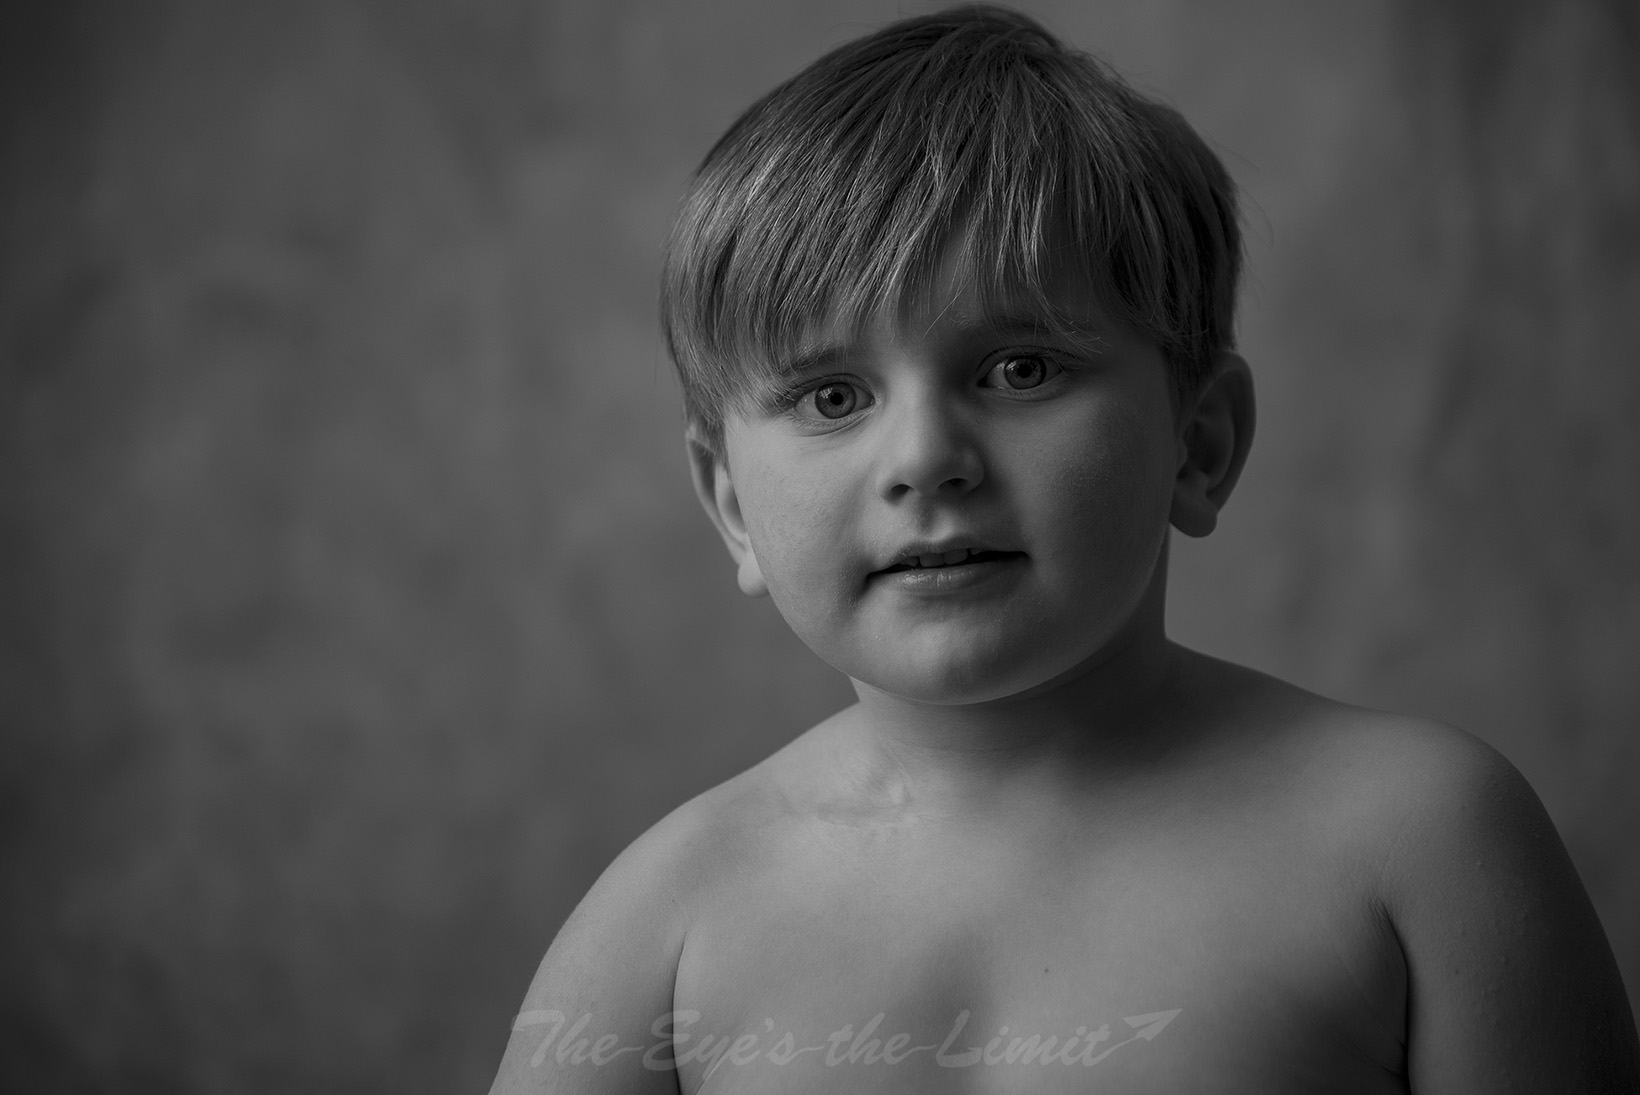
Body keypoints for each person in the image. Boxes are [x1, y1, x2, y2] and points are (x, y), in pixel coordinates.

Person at [488, 7, 1640, 1092]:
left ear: (1197, 444)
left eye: (1019, 370)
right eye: (832, 396)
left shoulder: (1420, 844)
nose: (925, 458)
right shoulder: (667, 919)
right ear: (730, 503)